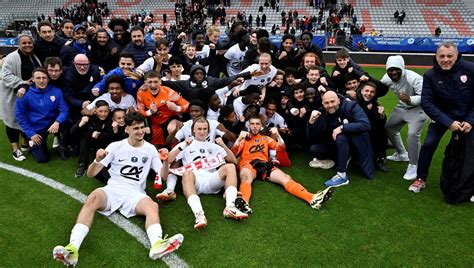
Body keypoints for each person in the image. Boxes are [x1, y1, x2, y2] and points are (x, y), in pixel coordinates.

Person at [52, 112, 183, 266]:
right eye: (136, 128)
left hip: (135, 193)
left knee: (152, 206)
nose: (140, 131)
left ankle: (157, 245)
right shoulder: (115, 147)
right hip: (113, 189)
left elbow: (164, 176)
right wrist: (97, 160)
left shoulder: (150, 150)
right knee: (92, 198)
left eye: (142, 127)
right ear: (127, 129)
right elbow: (91, 174)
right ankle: (72, 249)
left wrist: (167, 162)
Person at [231, 116, 334, 213]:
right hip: (247, 164)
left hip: (263, 164)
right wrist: (238, 139)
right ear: (249, 126)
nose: (254, 126)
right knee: (245, 177)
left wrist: (278, 136)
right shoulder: (244, 139)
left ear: (261, 126)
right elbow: (233, 155)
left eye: (257, 124)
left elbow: (281, 147)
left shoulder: (265, 139)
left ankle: (312, 198)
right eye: (252, 124)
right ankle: (243, 203)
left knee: (285, 178)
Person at [409, 42, 474, 193]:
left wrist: (470, 120)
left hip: (467, 116)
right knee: (429, 144)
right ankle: (420, 178)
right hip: (442, 116)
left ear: (456, 56)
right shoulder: (430, 75)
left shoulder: (470, 69)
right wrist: (448, 122)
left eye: (449, 56)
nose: (446, 59)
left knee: (471, 149)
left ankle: (470, 185)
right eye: (442, 56)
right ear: (436, 57)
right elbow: (426, 102)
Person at [166, 117, 248, 230]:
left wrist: (223, 145)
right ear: (193, 130)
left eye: (205, 129)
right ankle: (199, 215)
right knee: (187, 173)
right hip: (195, 182)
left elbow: (233, 160)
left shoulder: (213, 146)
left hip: (211, 180)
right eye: (199, 129)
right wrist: (183, 144)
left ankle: (230, 207)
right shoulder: (185, 145)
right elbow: (169, 160)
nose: (202, 131)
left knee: (230, 167)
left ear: (209, 131)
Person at [306, 91, 374, 187]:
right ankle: (344, 159)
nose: (330, 105)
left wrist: (342, 128)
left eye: (332, 101)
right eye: (326, 103)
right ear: (322, 103)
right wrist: (311, 122)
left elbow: (365, 124)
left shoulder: (351, 106)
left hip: (355, 143)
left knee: (340, 137)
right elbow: (311, 137)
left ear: (338, 100)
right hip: (336, 144)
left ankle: (342, 175)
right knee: (315, 149)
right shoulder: (322, 112)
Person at [381, 55, 428, 180]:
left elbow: (426, 97)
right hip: (402, 107)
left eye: (397, 69)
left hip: (419, 108)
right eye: (390, 70)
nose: (393, 72)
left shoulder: (415, 78)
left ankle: (414, 165)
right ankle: (402, 153)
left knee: (412, 134)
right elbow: (378, 88)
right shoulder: (387, 78)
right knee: (389, 128)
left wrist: (410, 99)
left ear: (402, 68)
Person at [0, 34, 42, 161]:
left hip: (30, 95)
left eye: (29, 42)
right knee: (12, 121)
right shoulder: (12, 58)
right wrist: (22, 82)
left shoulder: (34, 56)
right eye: (24, 43)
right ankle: (15, 149)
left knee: (26, 119)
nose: (27, 45)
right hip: (14, 95)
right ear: (19, 44)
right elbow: (5, 76)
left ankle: (24, 143)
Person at [15, 67, 69, 163]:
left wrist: (57, 122)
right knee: (42, 159)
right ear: (33, 79)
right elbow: (20, 116)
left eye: (44, 78)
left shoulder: (56, 91)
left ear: (48, 79)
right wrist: (31, 134)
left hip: (52, 123)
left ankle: (63, 146)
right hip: (37, 127)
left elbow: (64, 110)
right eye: (38, 78)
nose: (41, 81)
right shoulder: (24, 94)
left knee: (68, 123)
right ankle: (31, 143)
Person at [136, 70, 189, 147]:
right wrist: (150, 112)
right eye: (150, 82)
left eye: (155, 82)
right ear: (145, 82)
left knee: (172, 129)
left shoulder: (168, 92)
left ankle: (172, 148)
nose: (153, 85)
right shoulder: (141, 93)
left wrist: (176, 108)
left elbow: (188, 106)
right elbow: (140, 112)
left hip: (171, 119)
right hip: (155, 123)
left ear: (160, 81)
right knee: (156, 148)